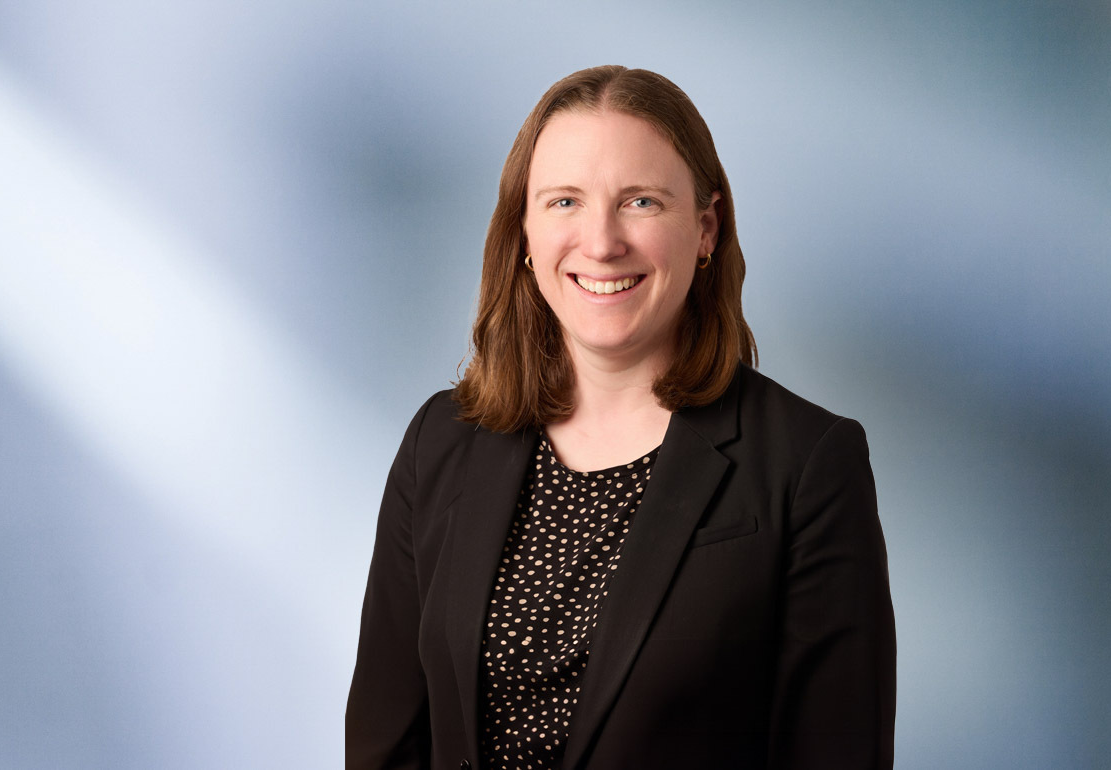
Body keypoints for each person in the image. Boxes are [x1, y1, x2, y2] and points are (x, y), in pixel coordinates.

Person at [346, 65, 895, 769]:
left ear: (705, 230)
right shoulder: (440, 443)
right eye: (564, 201)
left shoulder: (808, 464)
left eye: (640, 202)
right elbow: (386, 745)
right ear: (524, 231)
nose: (601, 242)